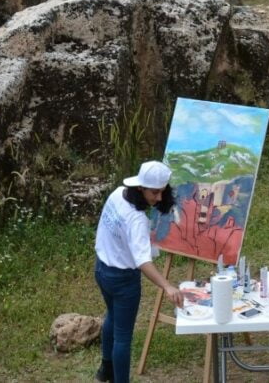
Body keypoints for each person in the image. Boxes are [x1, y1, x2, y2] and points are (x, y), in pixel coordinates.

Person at [94, 160, 184, 383]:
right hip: (123, 280)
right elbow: (143, 262)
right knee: (123, 337)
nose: (159, 198)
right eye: (155, 192)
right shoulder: (137, 220)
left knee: (112, 317)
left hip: (102, 269)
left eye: (162, 192)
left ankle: (105, 370)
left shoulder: (117, 193)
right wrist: (167, 286)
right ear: (141, 188)